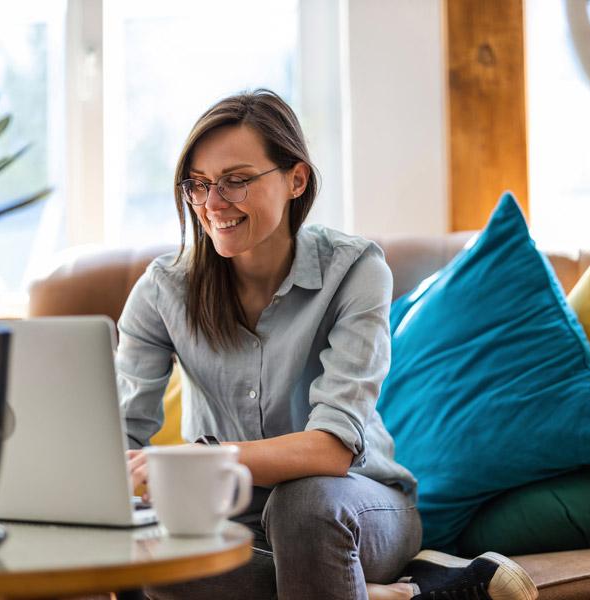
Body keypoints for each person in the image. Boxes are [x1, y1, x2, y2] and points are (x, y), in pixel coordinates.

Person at [117, 89, 537, 600]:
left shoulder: (356, 270)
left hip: (357, 504)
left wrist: (207, 459)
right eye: (199, 185)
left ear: (296, 179)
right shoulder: (164, 289)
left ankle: (355, 576)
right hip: (228, 516)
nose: (213, 204)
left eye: (236, 181)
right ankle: (396, 590)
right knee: (151, 562)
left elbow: (331, 449)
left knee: (304, 505)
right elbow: (120, 434)